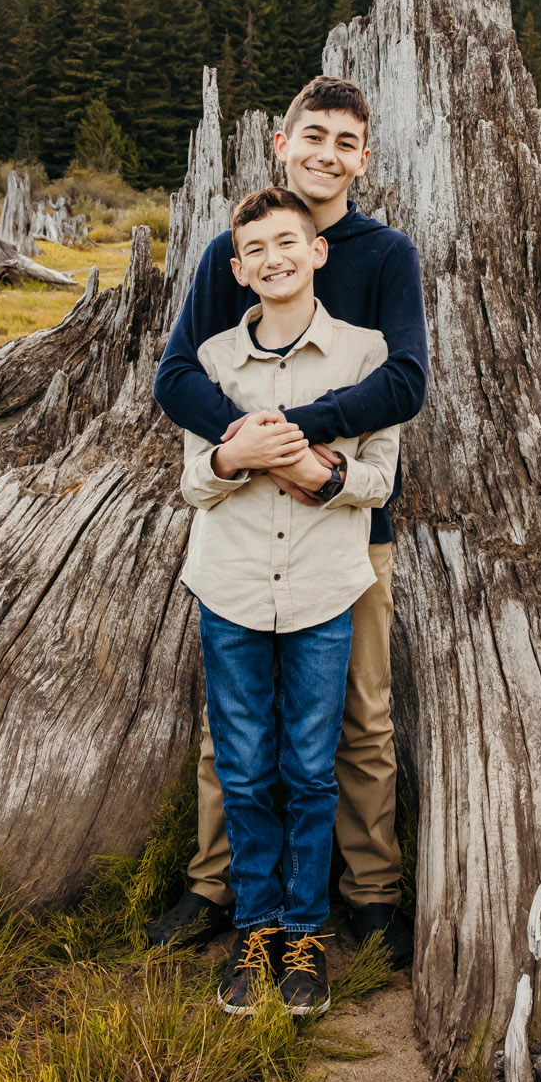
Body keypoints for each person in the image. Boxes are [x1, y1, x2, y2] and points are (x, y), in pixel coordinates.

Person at [151, 75, 427, 969]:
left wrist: (297, 435)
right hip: (243, 523)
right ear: (282, 140)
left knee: (361, 719)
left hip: (348, 526)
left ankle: (369, 892)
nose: (326, 154)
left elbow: (403, 383)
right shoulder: (227, 249)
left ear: (363, 158)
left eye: (345, 142)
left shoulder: (385, 255)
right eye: (313, 135)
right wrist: (246, 441)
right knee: (228, 730)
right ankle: (217, 884)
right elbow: (179, 374)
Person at [179, 185, 403, 1017]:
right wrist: (236, 458)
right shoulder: (211, 365)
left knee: (310, 769)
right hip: (230, 584)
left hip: (323, 587)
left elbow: (383, 473)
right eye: (257, 251)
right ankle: (255, 926)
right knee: (242, 766)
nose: (274, 259)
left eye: (289, 243)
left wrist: (324, 473)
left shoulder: (366, 355)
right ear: (238, 270)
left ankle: (307, 928)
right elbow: (191, 479)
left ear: (318, 253)